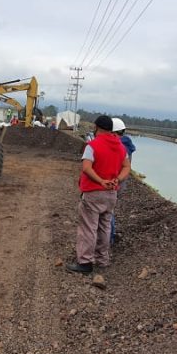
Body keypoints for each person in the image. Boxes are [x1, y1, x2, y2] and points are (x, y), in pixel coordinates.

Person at [67, 115, 131, 274]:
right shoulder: (121, 147)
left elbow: (87, 168)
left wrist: (101, 181)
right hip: (111, 194)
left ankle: (85, 262)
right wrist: (117, 179)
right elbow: (126, 167)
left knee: (88, 228)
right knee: (105, 226)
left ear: (97, 128)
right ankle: (102, 259)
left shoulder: (92, 145)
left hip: (94, 193)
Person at [109, 118, 136, 244]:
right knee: (110, 211)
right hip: (121, 183)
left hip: (115, 183)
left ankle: (109, 238)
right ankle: (110, 237)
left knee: (107, 212)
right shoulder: (127, 145)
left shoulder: (119, 147)